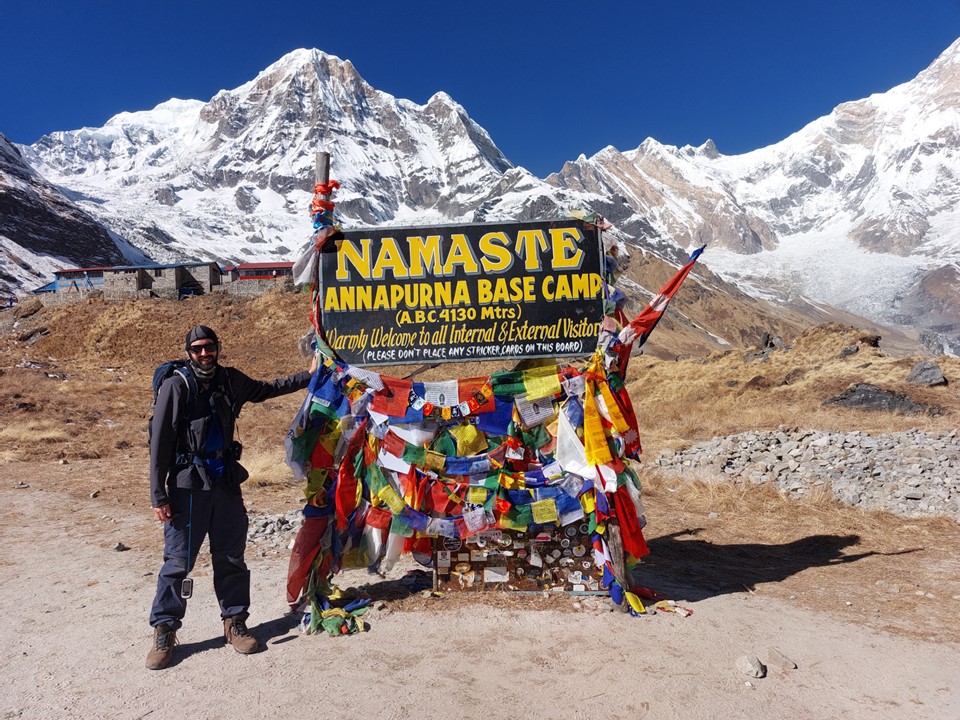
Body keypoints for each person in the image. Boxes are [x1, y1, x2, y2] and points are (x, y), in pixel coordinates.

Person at [146, 325, 317, 670]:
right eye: (197, 349)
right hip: (187, 488)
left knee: (231, 557)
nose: (204, 354)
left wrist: (309, 376)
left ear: (217, 347)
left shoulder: (229, 380)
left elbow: (268, 389)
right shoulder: (176, 386)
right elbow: (160, 442)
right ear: (188, 352)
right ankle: (165, 629)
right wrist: (158, 495)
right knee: (178, 563)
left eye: (209, 347)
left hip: (224, 483)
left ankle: (235, 622)